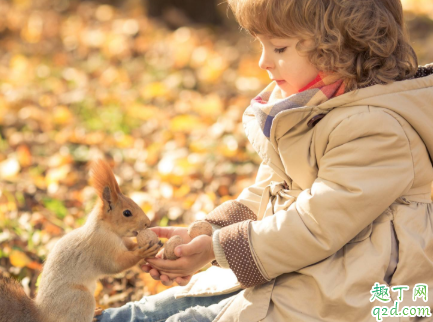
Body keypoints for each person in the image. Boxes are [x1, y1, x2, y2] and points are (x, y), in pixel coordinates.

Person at [98, 0, 433, 321]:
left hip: (360, 298)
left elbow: (315, 225)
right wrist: (207, 233)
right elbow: (269, 192)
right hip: (299, 273)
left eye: (279, 48)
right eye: (260, 44)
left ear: (339, 48)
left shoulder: (377, 128)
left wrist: (217, 249)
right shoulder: (308, 109)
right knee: (148, 312)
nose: (263, 62)